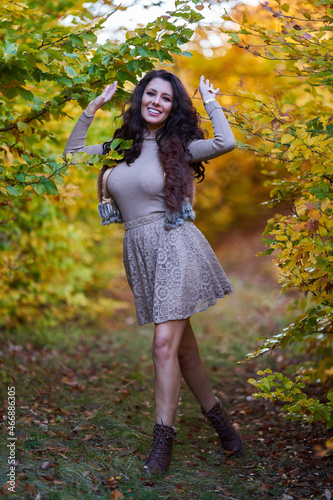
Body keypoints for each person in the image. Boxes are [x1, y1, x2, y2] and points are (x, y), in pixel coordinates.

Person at [63, 69, 243, 475]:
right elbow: (72, 154)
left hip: (175, 243)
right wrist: (92, 109)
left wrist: (209, 100)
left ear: (172, 105)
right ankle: (223, 426)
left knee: (163, 344)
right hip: (140, 252)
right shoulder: (120, 148)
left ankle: (163, 441)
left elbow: (225, 142)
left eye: (165, 97)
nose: (156, 102)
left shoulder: (178, 146)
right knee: (183, 349)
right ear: (140, 98)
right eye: (151, 94)